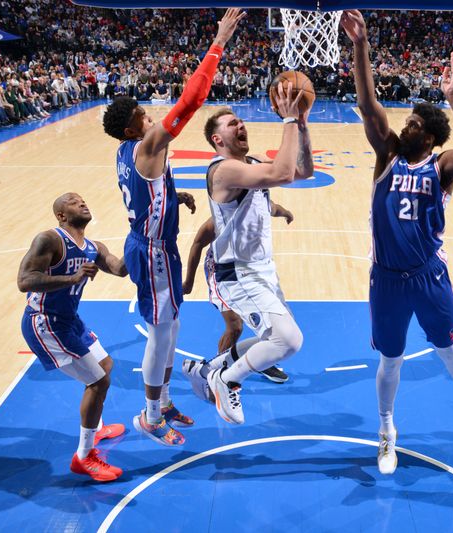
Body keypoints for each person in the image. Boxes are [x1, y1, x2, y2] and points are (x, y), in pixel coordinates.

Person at [341, 10, 453, 475]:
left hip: (429, 276)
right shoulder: (386, 153)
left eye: (412, 125)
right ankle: (386, 430)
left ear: (428, 136)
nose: (403, 127)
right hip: (386, 280)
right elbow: (368, 104)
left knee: (449, 351)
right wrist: (361, 45)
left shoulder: (442, 166)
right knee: (390, 360)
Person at [101, 8, 244, 446]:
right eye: (145, 114)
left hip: (154, 243)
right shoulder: (147, 145)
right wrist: (218, 42)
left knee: (172, 329)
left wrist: (174, 198)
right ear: (133, 127)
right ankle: (148, 415)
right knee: (162, 333)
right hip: (151, 251)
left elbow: (149, 190)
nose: (151, 117)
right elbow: (191, 101)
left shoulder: (130, 153)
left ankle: (162, 401)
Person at [196, 85, 314, 425]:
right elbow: (281, 173)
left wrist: (302, 124)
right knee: (288, 341)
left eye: (241, 121)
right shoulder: (223, 170)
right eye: (232, 124)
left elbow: (302, 172)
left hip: (262, 270)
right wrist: (289, 118)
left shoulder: (251, 162)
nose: (241, 125)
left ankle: (214, 367)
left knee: (275, 339)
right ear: (218, 140)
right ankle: (227, 379)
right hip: (237, 271)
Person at [17, 193, 127, 482]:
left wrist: (143, 232)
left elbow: (121, 269)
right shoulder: (50, 239)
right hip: (45, 323)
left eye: (82, 199)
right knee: (98, 381)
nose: (82, 202)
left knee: (105, 365)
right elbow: (24, 280)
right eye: (72, 201)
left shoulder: (93, 247)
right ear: (61, 215)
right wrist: (72, 278)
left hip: (70, 321)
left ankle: (96, 426)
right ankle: (84, 457)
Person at [181, 201, 295, 395]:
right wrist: (189, 281)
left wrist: (287, 213)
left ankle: (262, 360)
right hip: (222, 272)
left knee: (271, 323)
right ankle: (216, 373)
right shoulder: (220, 220)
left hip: (250, 271)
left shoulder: (261, 206)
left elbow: (275, 208)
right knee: (235, 326)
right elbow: (197, 244)